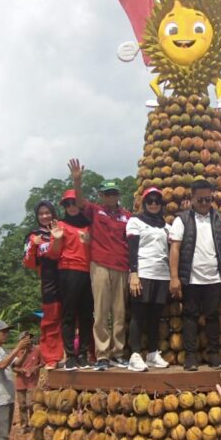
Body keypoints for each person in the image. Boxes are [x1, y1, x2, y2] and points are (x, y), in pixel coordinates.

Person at [68, 159, 131, 371]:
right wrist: (77, 180)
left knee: (120, 313)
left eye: (114, 193)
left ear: (118, 195)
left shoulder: (127, 216)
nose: (110, 197)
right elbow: (79, 202)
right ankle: (102, 354)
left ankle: (118, 353)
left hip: (122, 266)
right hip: (101, 265)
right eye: (107, 193)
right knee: (101, 312)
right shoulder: (95, 211)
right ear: (101, 196)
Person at [169, 179, 221, 371]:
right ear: (192, 198)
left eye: (208, 199)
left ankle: (213, 353)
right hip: (191, 277)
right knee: (190, 316)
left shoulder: (219, 219)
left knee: (213, 316)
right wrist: (174, 277)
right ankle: (190, 356)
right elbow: (175, 248)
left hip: (214, 277)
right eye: (200, 200)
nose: (204, 203)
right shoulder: (182, 219)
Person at [125, 187, 172, 372]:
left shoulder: (165, 226)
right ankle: (135, 354)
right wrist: (134, 273)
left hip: (162, 274)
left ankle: (152, 353)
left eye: (157, 201)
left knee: (155, 316)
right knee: (138, 314)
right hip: (143, 272)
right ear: (144, 203)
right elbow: (132, 249)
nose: (153, 204)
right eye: (150, 201)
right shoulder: (135, 222)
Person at [55, 190, 95, 370]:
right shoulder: (60, 225)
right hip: (69, 271)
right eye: (67, 204)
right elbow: (54, 253)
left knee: (87, 315)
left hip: (89, 272)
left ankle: (83, 354)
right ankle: (70, 354)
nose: (71, 207)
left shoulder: (89, 224)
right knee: (69, 315)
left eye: (73, 203)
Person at [22, 201, 63, 369]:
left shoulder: (63, 228)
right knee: (51, 320)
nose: (45, 216)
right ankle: (52, 358)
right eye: (41, 213)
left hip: (70, 276)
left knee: (76, 317)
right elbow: (29, 263)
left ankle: (80, 354)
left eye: (48, 212)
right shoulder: (33, 235)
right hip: (49, 282)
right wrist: (33, 245)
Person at [14, 333, 42, 432]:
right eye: (25, 338)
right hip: (20, 381)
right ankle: (24, 425)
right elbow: (13, 367)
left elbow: (42, 363)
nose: (28, 340)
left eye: (29, 338)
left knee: (31, 404)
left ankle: (33, 423)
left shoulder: (37, 350)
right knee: (22, 405)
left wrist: (36, 367)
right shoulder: (17, 352)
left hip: (32, 381)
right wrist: (21, 370)